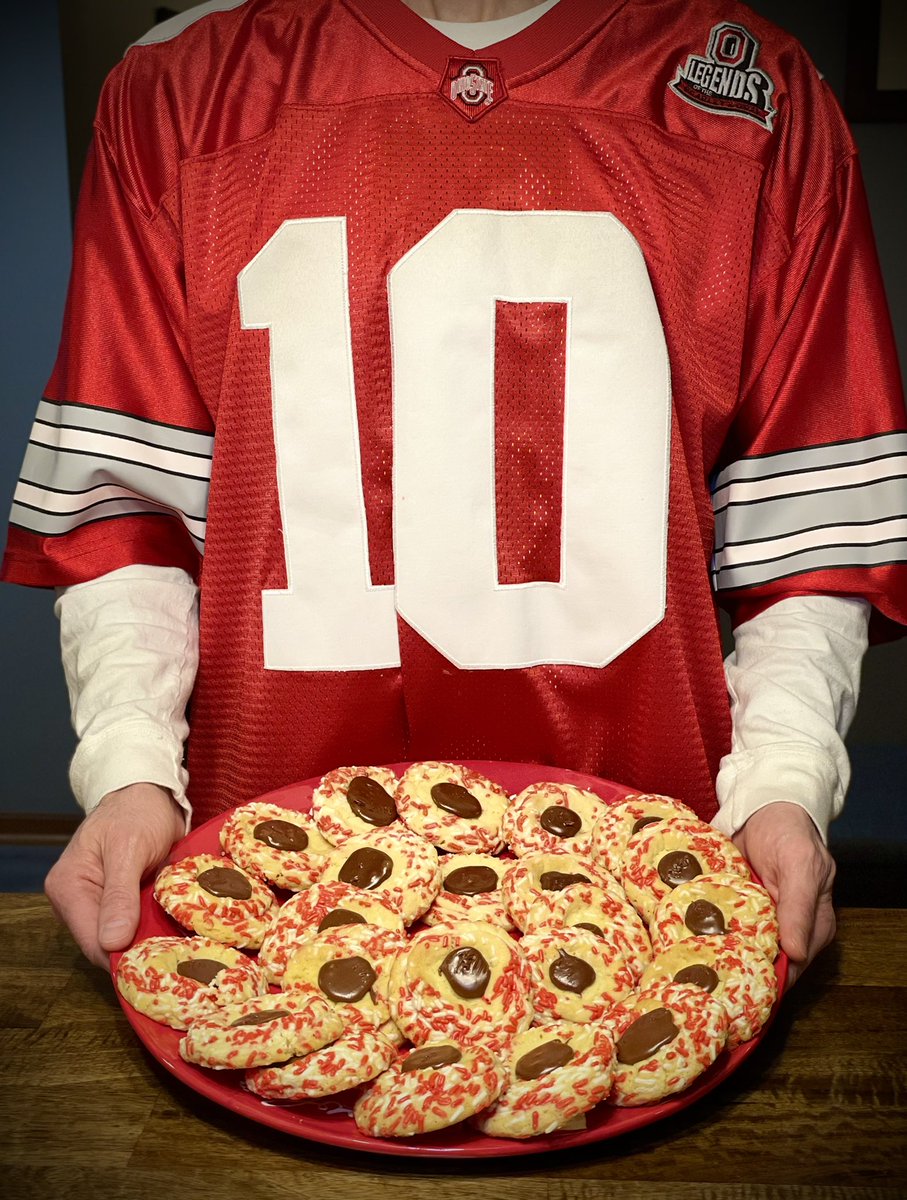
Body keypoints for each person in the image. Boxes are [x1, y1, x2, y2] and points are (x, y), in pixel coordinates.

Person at [4, 0, 905, 982]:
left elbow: (808, 531)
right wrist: (130, 771)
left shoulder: (760, 94)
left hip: (643, 897)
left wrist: (782, 783)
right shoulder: (178, 86)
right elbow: (133, 514)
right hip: (270, 896)